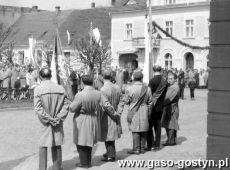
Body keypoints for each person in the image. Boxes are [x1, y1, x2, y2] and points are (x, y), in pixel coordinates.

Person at [69, 75, 119, 168]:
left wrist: (69, 104)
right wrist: (115, 113)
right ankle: (87, 161)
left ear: (82, 83)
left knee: (81, 141)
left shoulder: (80, 94)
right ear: (93, 82)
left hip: (82, 118)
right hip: (93, 118)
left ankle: (84, 163)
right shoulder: (98, 93)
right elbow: (107, 105)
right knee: (89, 140)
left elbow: (72, 108)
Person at [34, 67, 69, 170]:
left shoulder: (38, 89)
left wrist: (48, 118)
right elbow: (66, 105)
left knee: (43, 145)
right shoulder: (60, 88)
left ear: (40, 76)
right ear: (51, 75)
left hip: (44, 122)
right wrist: (58, 118)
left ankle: (42, 168)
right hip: (57, 121)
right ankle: (57, 167)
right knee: (57, 144)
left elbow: (38, 108)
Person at [124, 70, 152, 154]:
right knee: (143, 128)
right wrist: (149, 112)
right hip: (144, 109)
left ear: (134, 78)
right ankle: (142, 148)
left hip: (133, 109)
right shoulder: (147, 88)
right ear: (142, 78)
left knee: (135, 129)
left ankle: (136, 148)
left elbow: (126, 101)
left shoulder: (129, 88)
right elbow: (150, 102)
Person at [99, 70, 124, 162]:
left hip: (108, 115)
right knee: (111, 134)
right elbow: (122, 100)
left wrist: (114, 113)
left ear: (102, 76)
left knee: (108, 135)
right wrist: (119, 112)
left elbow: (105, 104)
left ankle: (111, 155)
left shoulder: (103, 89)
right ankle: (109, 152)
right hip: (115, 113)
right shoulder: (117, 87)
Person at [147, 65, 167, 151]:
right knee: (158, 127)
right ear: (161, 70)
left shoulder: (152, 81)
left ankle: (150, 144)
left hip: (152, 107)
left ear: (153, 70)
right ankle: (157, 145)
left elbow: (149, 94)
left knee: (149, 126)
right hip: (161, 106)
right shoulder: (164, 81)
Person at [161, 73, 180, 146]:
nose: (169, 80)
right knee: (172, 124)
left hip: (171, 108)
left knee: (170, 124)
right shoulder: (174, 86)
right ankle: (173, 140)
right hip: (173, 107)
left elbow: (166, 99)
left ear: (175, 79)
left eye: (171, 79)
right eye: (168, 79)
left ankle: (171, 141)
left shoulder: (173, 87)